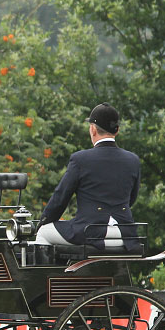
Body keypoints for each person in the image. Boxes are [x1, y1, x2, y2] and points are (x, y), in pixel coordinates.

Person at [35, 103, 141, 250]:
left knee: (43, 232)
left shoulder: (80, 159)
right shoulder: (133, 160)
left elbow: (60, 198)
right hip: (125, 234)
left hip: (91, 232)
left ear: (92, 129)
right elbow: (131, 199)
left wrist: (43, 222)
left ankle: (50, 274)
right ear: (117, 130)